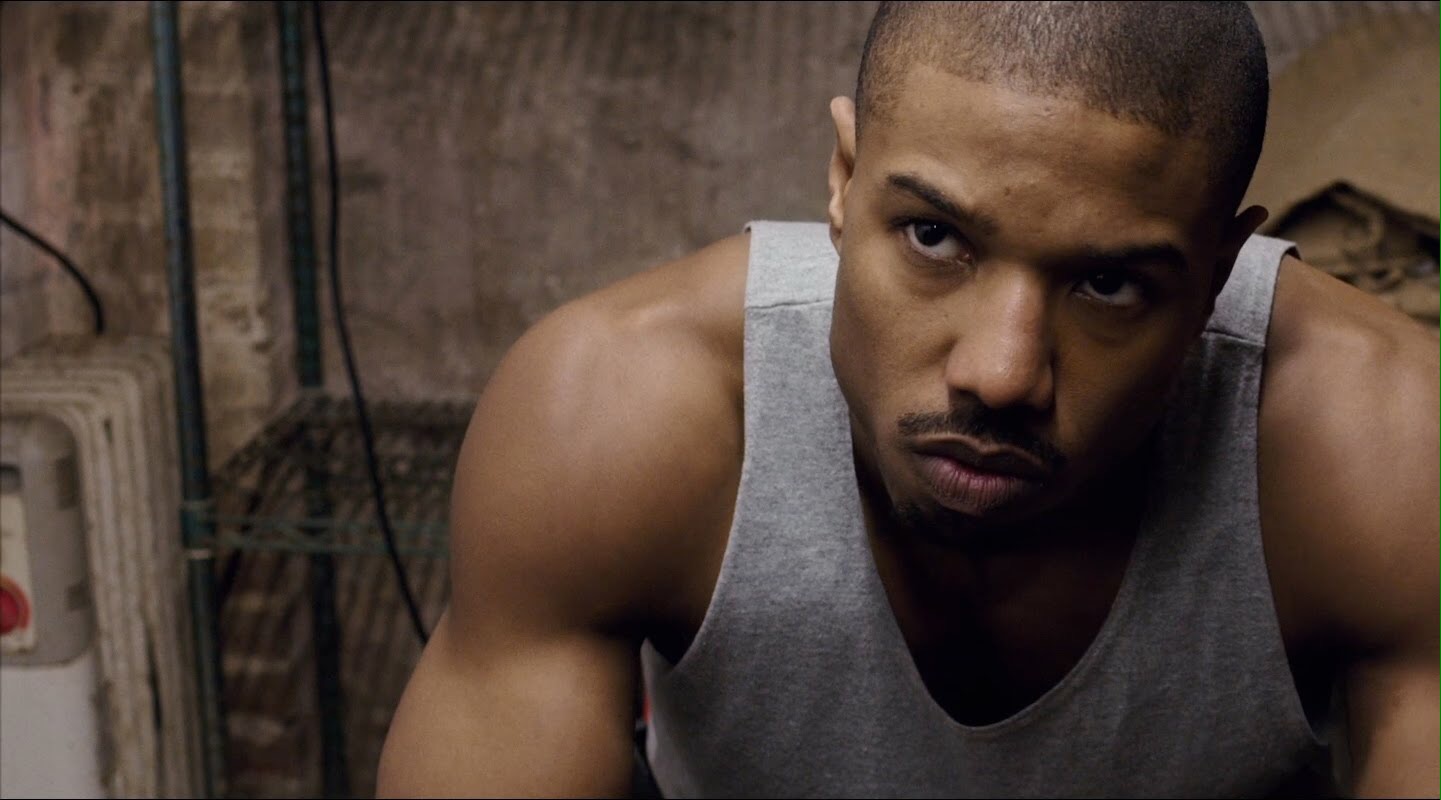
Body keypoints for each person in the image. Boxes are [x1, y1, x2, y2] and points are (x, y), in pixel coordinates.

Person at [376, 2, 1439, 796]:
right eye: (934, 237)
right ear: (843, 179)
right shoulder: (624, 404)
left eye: (1108, 284)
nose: (1001, 373)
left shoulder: (1378, 441)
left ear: (1217, 270)